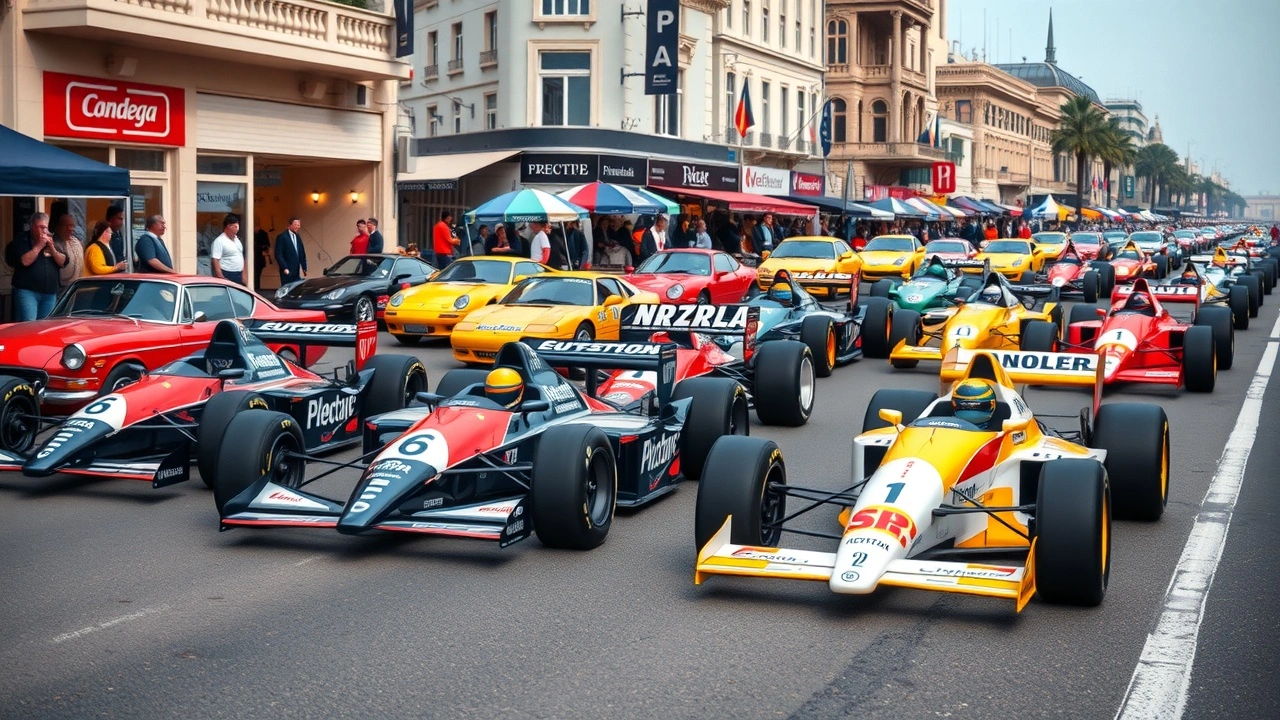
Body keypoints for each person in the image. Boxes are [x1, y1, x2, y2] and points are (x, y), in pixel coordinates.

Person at [10, 212, 65, 320]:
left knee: (44, 328)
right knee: (29, 325)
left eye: (45, 227)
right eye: (40, 227)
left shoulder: (54, 239)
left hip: (50, 292)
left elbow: (63, 261)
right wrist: (39, 245)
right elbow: (25, 261)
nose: (44, 231)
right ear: (32, 226)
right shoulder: (22, 239)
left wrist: (52, 248)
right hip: (28, 292)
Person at [52, 213, 85, 291]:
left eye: (72, 226)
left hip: (75, 286)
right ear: (59, 227)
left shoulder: (76, 242)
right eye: (67, 226)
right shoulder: (54, 243)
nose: (71, 229)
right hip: (60, 287)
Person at [210, 214, 246, 284]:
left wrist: (244, 274)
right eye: (235, 226)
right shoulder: (219, 241)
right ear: (228, 226)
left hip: (239, 274)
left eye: (237, 226)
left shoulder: (237, 239)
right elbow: (215, 259)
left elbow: (241, 255)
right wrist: (220, 276)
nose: (237, 228)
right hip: (227, 273)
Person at [274, 216, 307, 284]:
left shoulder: (297, 236)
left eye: (299, 225)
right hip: (287, 269)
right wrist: (284, 267)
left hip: (296, 269)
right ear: (290, 225)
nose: (297, 227)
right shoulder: (282, 236)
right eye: (295, 225)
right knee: (287, 287)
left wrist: (304, 267)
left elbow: (301, 252)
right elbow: (278, 254)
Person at [254, 226, 271, 290]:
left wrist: (265, 251)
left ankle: (257, 288)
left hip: (259, 258)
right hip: (252, 258)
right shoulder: (248, 232)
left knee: (258, 274)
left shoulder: (263, 234)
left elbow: (267, 245)